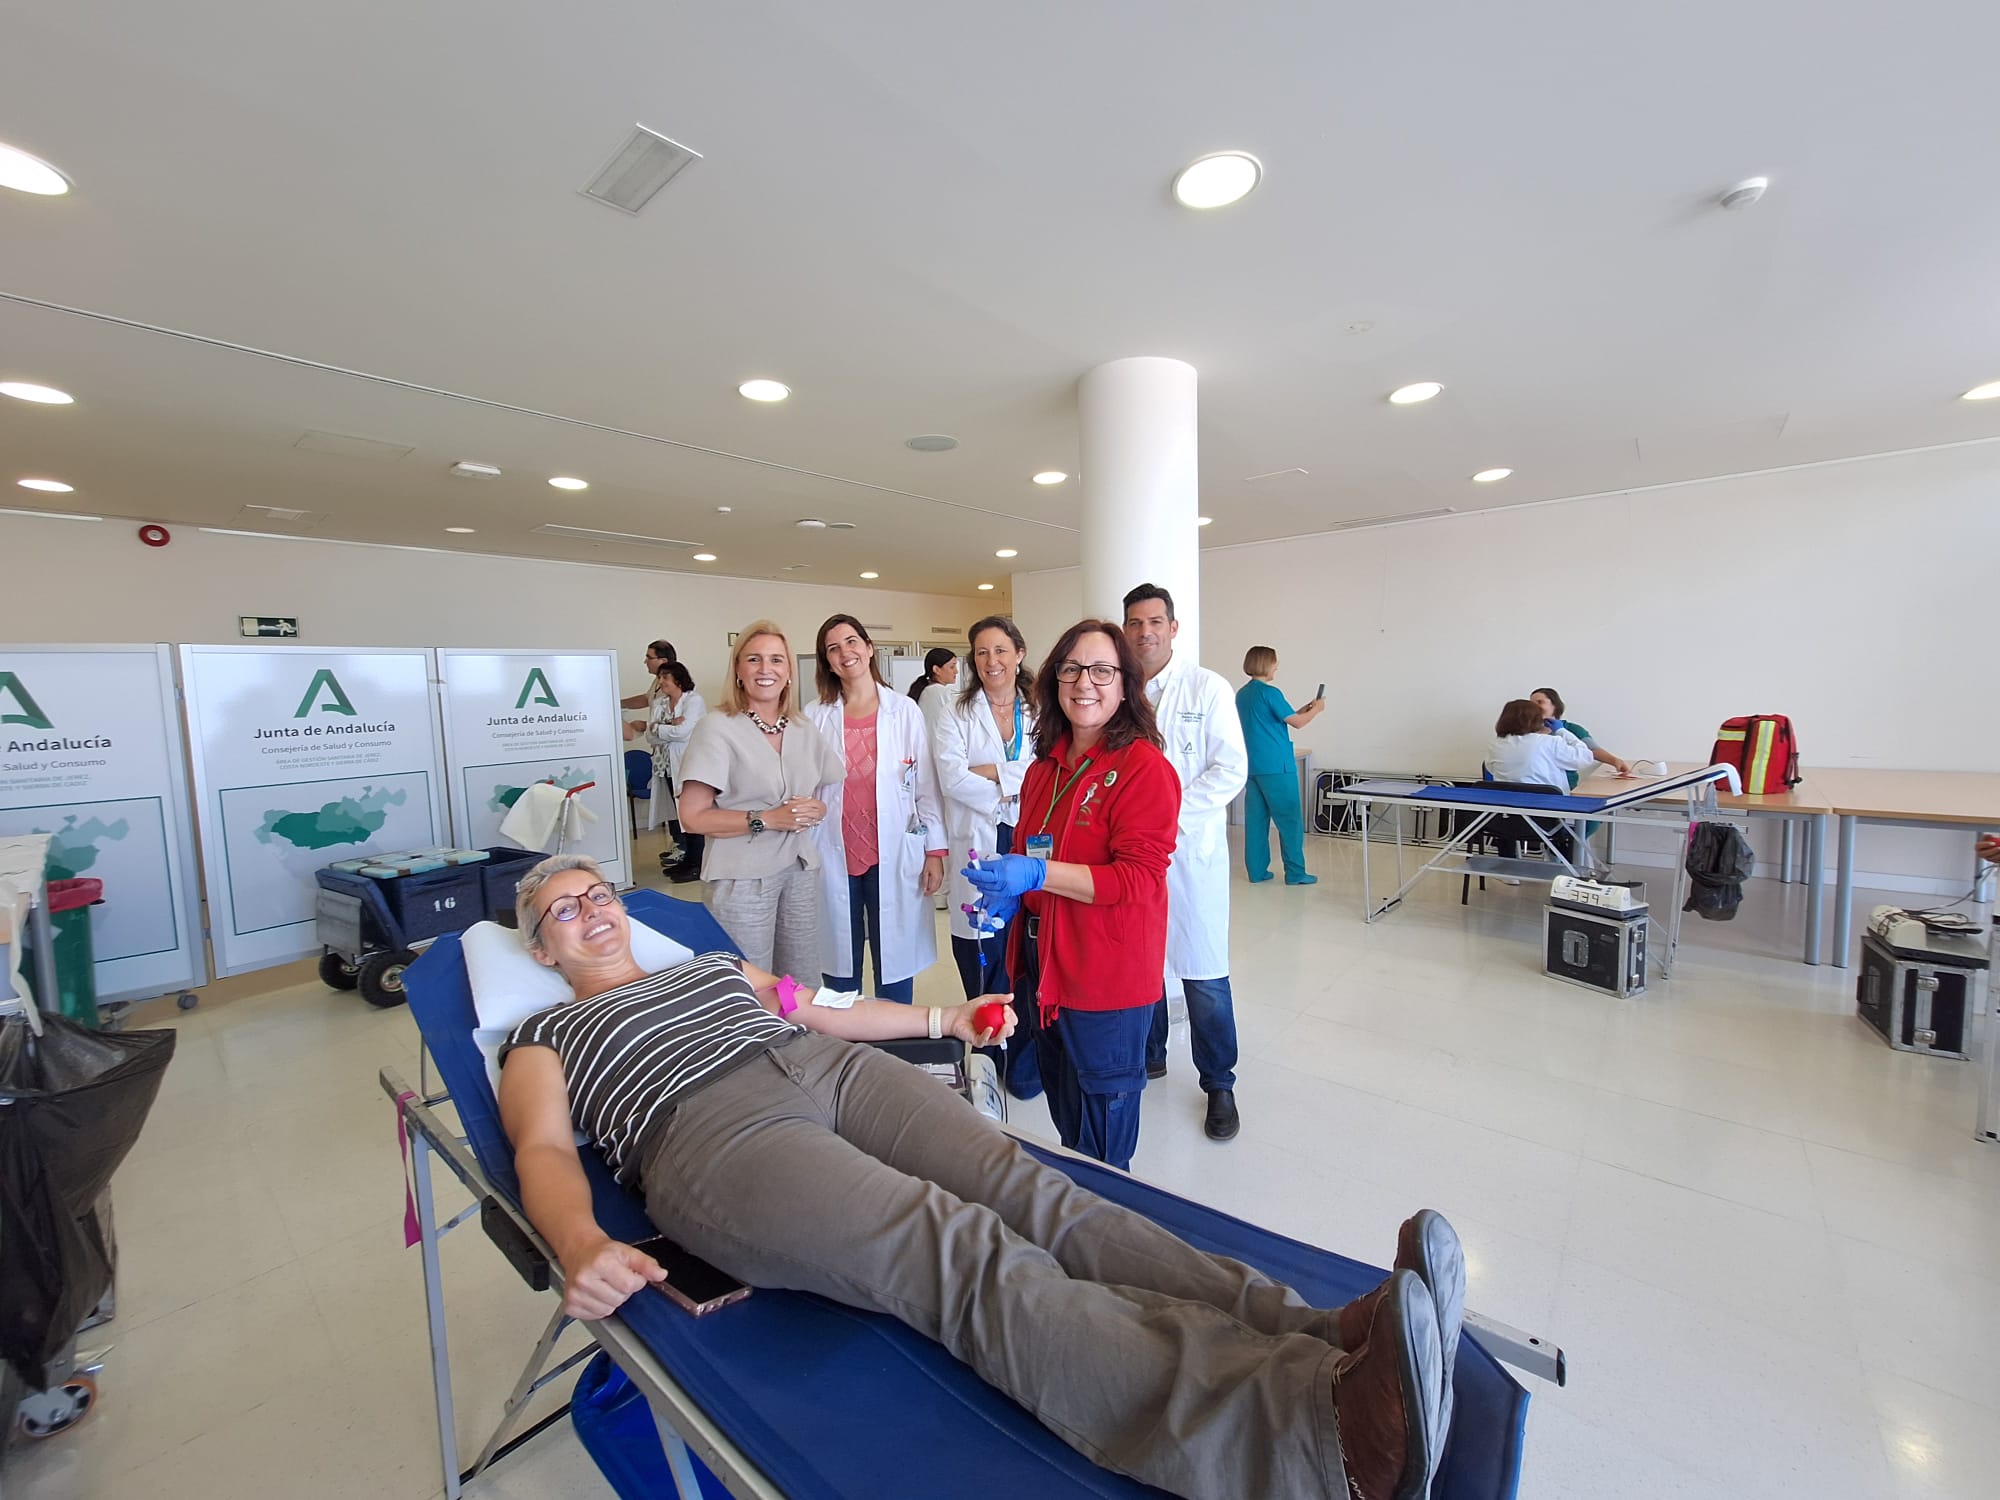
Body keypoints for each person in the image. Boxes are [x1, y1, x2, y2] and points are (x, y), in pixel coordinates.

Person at [498, 853, 1463, 1500]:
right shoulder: (541, 1037)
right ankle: (1311, 1437)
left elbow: (824, 1008)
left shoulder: (709, 966)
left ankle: (1318, 1329)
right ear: (539, 947)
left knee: (1039, 1195)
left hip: (824, 1067)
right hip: (712, 1135)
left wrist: (943, 1023)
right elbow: (542, 1151)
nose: (591, 913)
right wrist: (580, 1242)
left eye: (600, 894)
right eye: (564, 910)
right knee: (964, 1253)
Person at [964, 620, 1177, 1172]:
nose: (1086, 682)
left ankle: (1110, 1242)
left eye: (1103, 670)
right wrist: (1013, 897)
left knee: (1103, 1148)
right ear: (1054, 680)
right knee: (1069, 1124)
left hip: (1105, 977)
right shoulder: (1044, 767)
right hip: (1045, 969)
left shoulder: (1142, 768)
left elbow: (1134, 879)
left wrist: (1035, 875)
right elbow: (1038, 847)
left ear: (1126, 683)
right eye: (1073, 668)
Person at [1122, 583, 1251, 1143]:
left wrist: (1164, 819)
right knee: (1142, 959)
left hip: (1189, 853)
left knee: (1203, 973)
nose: (1145, 632)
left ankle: (1219, 1083)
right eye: (1135, 623)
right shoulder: (1117, 690)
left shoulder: (1208, 688)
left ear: (1174, 628)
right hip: (1132, 855)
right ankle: (1150, 1055)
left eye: (1155, 622)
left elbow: (1229, 770)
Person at [675, 622, 844, 980]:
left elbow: (825, 786)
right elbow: (692, 817)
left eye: (776, 660)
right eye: (754, 659)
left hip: (798, 869)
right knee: (749, 984)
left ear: (789, 672)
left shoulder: (802, 727)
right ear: (738, 670)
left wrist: (820, 808)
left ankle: (801, 1038)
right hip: (742, 877)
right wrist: (766, 818)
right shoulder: (717, 727)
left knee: (799, 983)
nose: (766, 669)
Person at [804, 614, 948, 1003]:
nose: (844, 653)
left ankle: (898, 1049)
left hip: (894, 853)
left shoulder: (904, 711)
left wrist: (934, 851)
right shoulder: (814, 716)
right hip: (833, 852)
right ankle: (845, 1049)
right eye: (833, 648)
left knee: (895, 962)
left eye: (851, 642)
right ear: (827, 662)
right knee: (837, 964)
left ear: (869, 648)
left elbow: (926, 788)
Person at [933, 616, 1040, 1097]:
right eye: (981, 653)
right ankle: (988, 1053)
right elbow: (951, 777)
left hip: (1029, 836)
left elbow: (1049, 768)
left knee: (1028, 954)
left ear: (1018, 653)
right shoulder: (954, 712)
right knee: (982, 953)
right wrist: (1013, 784)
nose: (991, 661)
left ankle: (1024, 1057)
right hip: (978, 837)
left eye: (1000, 650)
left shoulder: (1042, 709)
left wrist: (996, 774)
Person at [1236, 647, 1325, 885]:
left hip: (1253, 766)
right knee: (1290, 820)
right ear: (1266, 664)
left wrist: (1303, 709)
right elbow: (1297, 723)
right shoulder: (1271, 692)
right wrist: (1316, 710)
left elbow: (1281, 717)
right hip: (1277, 767)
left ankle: (1257, 871)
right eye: (1275, 663)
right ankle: (1296, 873)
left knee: (1256, 821)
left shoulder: (1242, 694)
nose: (1277, 666)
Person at [655, 662, 706, 884]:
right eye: (660, 677)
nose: (662, 682)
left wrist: (659, 727)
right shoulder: (661, 703)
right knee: (679, 815)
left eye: (666, 677)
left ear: (678, 678)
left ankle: (698, 863)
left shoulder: (693, 700)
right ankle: (688, 860)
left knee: (692, 813)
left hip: (690, 763)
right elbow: (650, 735)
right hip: (667, 765)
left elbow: (684, 732)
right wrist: (666, 725)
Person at [1528, 687, 1630, 787]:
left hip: (1563, 788)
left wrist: (1615, 761)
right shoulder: (1523, 732)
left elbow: (1592, 750)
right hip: (1533, 786)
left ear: (1554, 705)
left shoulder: (1572, 729)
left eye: (1540, 702)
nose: (1534, 707)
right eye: (1531, 704)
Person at [1487, 698, 1597, 787]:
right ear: (1536, 720)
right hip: (1547, 807)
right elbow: (1585, 758)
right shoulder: (1549, 742)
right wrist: (1562, 731)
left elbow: (1490, 768)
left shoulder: (1496, 744)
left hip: (1507, 807)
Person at [620, 639, 677, 713]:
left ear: (664, 661)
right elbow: (647, 699)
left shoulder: (675, 685)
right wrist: (618, 704)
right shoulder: (659, 679)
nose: (645, 661)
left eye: (649, 658)